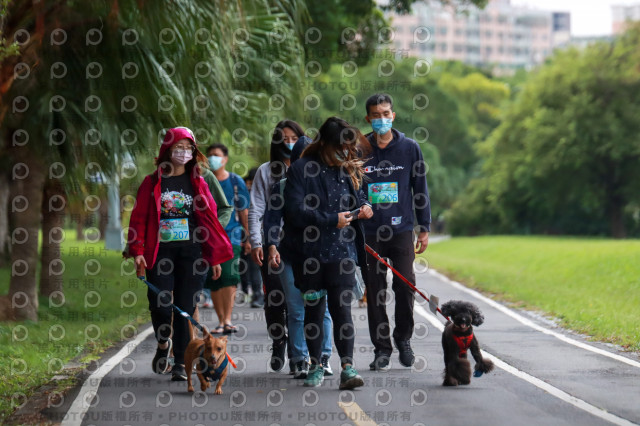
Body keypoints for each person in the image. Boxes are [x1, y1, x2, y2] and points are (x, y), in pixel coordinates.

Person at [126, 127, 233, 381]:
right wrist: (137, 251)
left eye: (188, 148)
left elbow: (210, 220)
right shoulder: (152, 181)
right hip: (160, 251)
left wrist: (214, 255)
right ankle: (163, 342)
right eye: (178, 147)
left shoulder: (199, 180)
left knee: (185, 308)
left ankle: (179, 363)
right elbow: (139, 218)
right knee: (161, 304)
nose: (184, 153)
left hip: (192, 251)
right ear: (167, 150)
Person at [282, 117, 373, 389]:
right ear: (326, 145)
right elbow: (294, 212)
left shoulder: (347, 170)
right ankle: (317, 363)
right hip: (308, 254)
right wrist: (330, 219)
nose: (347, 154)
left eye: (349, 149)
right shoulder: (301, 169)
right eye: (341, 148)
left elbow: (358, 199)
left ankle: (347, 366)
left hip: (343, 251)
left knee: (341, 308)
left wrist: (364, 208)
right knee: (315, 308)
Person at [361, 93, 431, 371]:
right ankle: (381, 348)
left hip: (401, 230)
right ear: (368, 118)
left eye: (386, 113)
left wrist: (423, 228)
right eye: (376, 115)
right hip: (369, 233)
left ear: (393, 115)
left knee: (405, 285)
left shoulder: (410, 148)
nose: (381, 119)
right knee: (375, 290)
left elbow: (420, 189)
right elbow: (351, 187)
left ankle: (403, 339)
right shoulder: (359, 148)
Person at [262, 131, 334, 379]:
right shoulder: (281, 186)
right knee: (296, 309)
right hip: (289, 255)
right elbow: (271, 221)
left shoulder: (328, 182)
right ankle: (298, 359)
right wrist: (271, 246)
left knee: (322, 309)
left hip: (321, 256)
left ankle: (323, 357)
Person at [248, 120, 303, 373]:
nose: (289, 143)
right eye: (284, 139)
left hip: (303, 244)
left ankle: (297, 351)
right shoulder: (266, 171)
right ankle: (278, 340)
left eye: (294, 137)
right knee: (275, 298)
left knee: (299, 299)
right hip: (273, 243)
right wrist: (257, 241)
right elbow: (256, 207)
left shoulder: (309, 169)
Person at [204, 143, 251, 334]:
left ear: (225, 159)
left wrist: (248, 237)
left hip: (231, 235)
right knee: (215, 278)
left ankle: (228, 319)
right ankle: (221, 320)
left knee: (230, 276)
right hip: (208, 237)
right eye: (209, 156)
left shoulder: (235, 181)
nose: (212, 159)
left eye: (216, 155)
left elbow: (244, 210)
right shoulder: (202, 181)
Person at [241, 167, 264, 308]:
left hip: (256, 234)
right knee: (253, 266)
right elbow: (247, 214)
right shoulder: (250, 193)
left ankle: (255, 293)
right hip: (252, 235)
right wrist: (250, 238)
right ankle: (256, 294)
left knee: (251, 267)